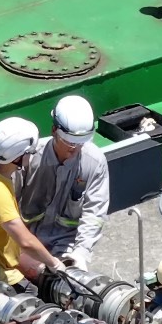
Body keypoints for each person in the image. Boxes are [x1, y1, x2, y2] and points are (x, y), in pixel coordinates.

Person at [0, 117, 66, 309]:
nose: (30, 157)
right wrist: (54, 263)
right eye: (28, 153)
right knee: (37, 313)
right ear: (16, 157)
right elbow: (25, 241)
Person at [17, 95, 111, 271]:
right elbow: (8, 205)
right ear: (54, 131)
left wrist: (80, 253)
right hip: (27, 241)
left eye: (81, 143)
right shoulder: (31, 158)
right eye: (69, 143)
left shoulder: (94, 162)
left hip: (66, 245)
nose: (75, 148)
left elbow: (94, 213)